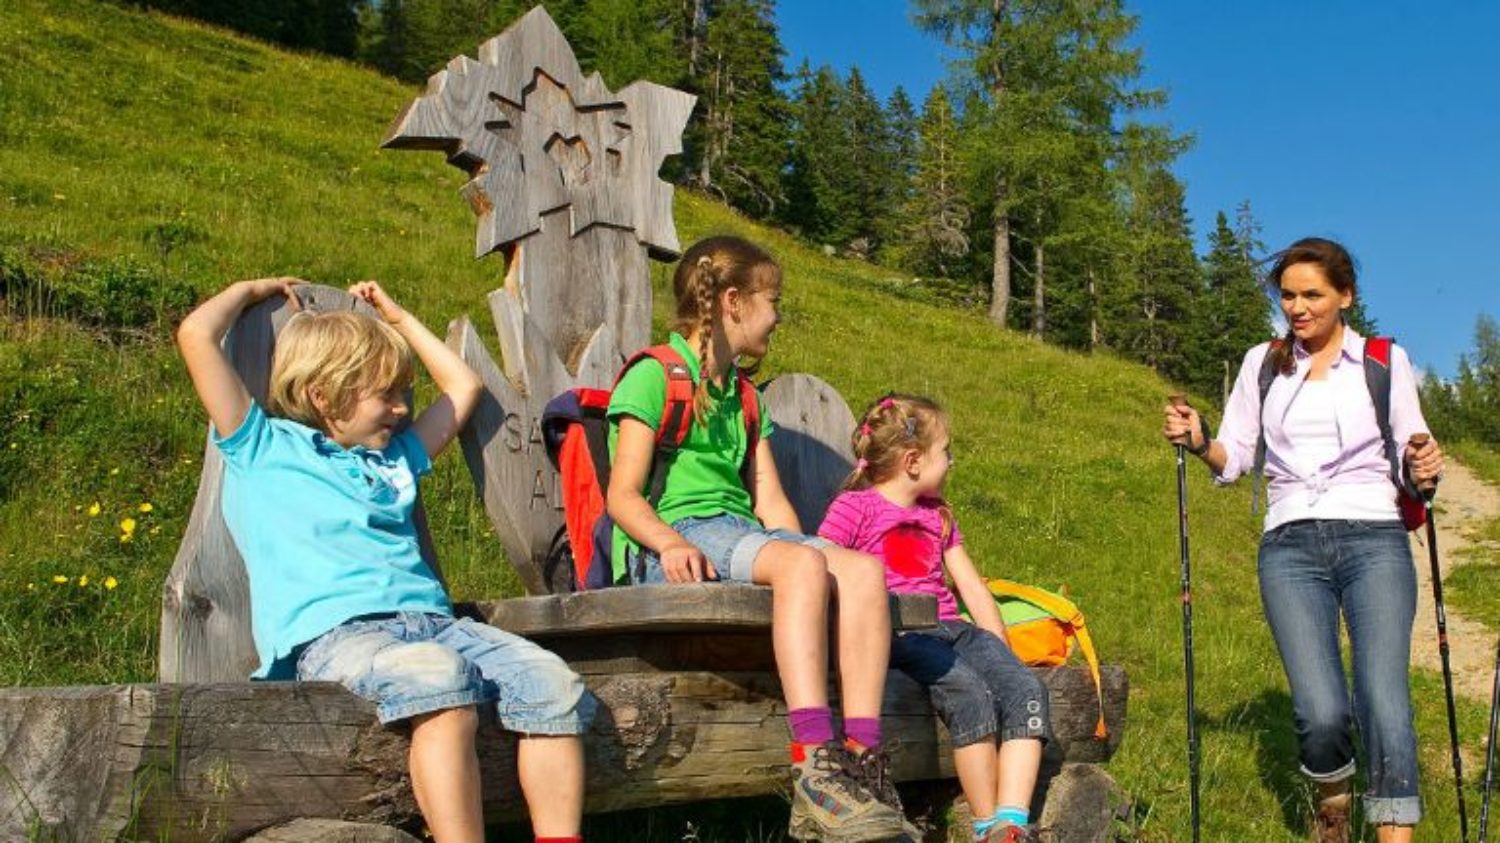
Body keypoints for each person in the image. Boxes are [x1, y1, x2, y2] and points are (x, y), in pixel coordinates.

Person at [177, 277, 595, 843]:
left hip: (437, 625)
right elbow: (197, 334)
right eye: (386, 394)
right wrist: (252, 289)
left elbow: (462, 386)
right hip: (338, 637)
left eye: (402, 392)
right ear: (324, 396)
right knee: (439, 679)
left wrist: (396, 318)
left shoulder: (395, 459)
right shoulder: (263, 447)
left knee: (552, 682)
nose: (402, 408)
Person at [604, 236, 905, 842]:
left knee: (864, 570)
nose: (779, 315)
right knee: (800, 568)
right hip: (674, 541)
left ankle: (861, 757)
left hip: (735, 534)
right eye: (774, 301)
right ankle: (814, 764)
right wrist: (667, 543)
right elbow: (622, 496)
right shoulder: (654, 375)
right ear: (733, 302)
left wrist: (818, 553)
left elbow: (770, 502)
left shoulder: (742, 397)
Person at [1162, 237, 1443, 843]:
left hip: (1374, 537)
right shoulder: (1262, 364)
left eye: (1312, 294)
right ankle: (1333, 807)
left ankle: (1394, 828)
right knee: (1320, 711)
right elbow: (1235, 456)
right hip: (1289, 547)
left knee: (1383, 698)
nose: (1297, 307)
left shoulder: (1382, 362)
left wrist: (1424, 464)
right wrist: (1196, 440)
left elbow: (1413, 455)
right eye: (1288, 295)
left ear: (1345, 295)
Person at [819, 394, 1049, 843]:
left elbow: (971, 588)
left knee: (1025, 687)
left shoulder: (938, 516)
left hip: (955, 629)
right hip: (901, 631)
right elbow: (821, 558)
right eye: (946, 452)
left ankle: (1012, 822)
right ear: (912, 461)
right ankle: (987, 827)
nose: (951, 462)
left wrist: (1001, 649)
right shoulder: (855, 508)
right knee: (969, 692)